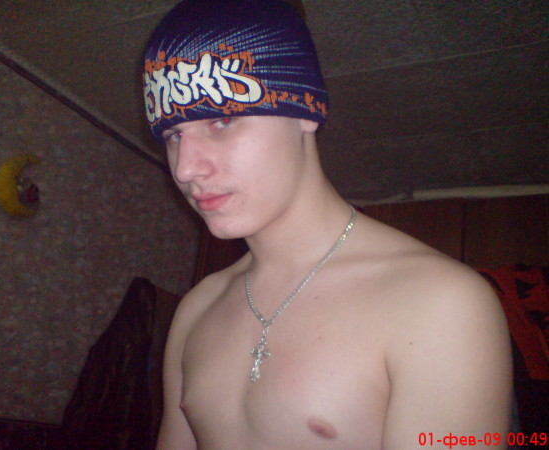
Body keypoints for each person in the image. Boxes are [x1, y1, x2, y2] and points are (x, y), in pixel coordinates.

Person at [142, 0, 513, 448]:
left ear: (306, 110)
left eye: (223, 120)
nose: (185, 168)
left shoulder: (439, 302)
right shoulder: (196, 310)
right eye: (173, 135)